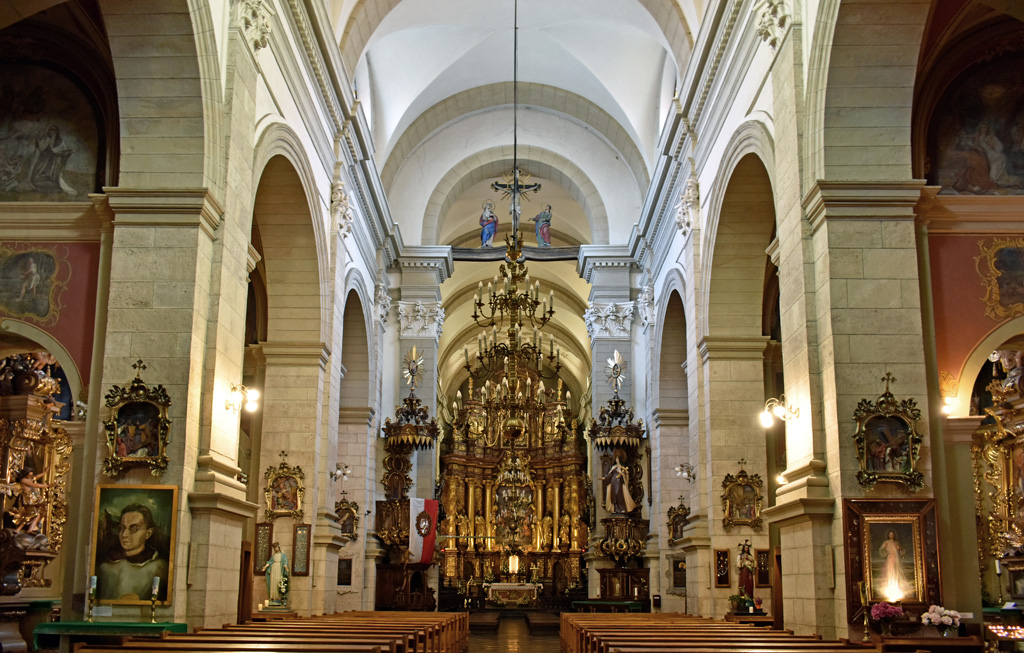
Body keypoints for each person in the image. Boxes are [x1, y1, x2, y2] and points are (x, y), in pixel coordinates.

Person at [97, 504, 168, 600]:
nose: (124, 534)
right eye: (122, 528)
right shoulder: (105, 565)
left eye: (133, 529)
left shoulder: (158, 567)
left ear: (148, 533)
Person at [878, 530, 908, 600]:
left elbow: (902, 551)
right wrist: (885, 550)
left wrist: (900, 549)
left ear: (894, 535)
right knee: (890, 571)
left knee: (896, 572)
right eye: (890, 534)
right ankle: (890, 585)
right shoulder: (886, 542)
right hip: (890, 558)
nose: (891, 535)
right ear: (888, 535)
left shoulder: (896, 542)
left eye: (892, 534)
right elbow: (881, 550)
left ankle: (896, 586)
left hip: (896, 558)